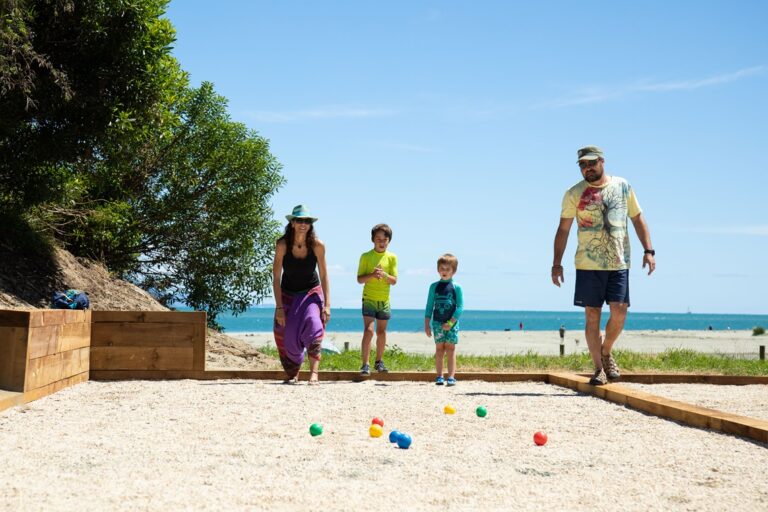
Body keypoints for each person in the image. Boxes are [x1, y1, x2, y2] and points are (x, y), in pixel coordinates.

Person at [551, 146, 655, 385]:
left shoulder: (622, 186)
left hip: (619, 262)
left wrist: (649, 250)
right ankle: (598, 368)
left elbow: (637, 218)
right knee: (592, 314)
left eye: (591, 163)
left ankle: (606, 351)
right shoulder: (573, 193)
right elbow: (563, 229)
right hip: (588, 265)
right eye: (582, 165)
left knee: (620, 311)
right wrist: (556, 264)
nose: (587, 168)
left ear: (602, 162)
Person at [272, 205, 331, 385]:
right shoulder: (282, 245)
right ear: (292, 223)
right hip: (288, 293)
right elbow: (276, 277)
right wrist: (279, 307)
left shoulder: (317, 245)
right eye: (299, 220)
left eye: (307, 221)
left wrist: (327, 305)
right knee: (287, 333)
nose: (303, 224)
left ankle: (314, 373)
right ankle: (294, 373)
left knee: (314, 324)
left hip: (311, 292)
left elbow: (324, 275)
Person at [356, 224, 398, 375]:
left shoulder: (392, 257)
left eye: (385, 239)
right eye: (378, 238)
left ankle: (379, 362)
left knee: (381, 332)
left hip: (384, 300)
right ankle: (365, 364)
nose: (381, 242)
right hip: (369, 298)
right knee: (368, 331)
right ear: (373, 239)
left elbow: (394, 280)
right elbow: (359, 279)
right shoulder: (366, 256)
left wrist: (384, 275)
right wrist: (373, 275)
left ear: (389, 241)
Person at [424, 254, 464, 386]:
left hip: (452, 323)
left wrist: (451, 322)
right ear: (438, 269)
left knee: (451, 349)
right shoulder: (433, 286)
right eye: (442, 268)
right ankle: (439, 376)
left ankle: (451, 376)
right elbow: (429, 306)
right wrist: (427, 324)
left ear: (453, 271)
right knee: (439, 349)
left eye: (448, 269)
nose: (444, 271)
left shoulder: (457, 287)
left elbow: (460, 307)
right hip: (437, 323)